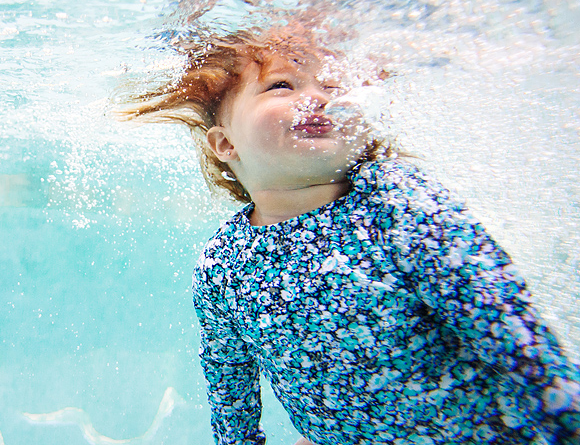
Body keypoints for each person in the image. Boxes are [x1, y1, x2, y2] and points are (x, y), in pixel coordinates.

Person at [119, 22, 580, 445]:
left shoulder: (395, 202)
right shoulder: (223, 260)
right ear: (225, 143)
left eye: (333, 86)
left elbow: (510, 331)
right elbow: (228, 380)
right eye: (282, 85)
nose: (318, 98)